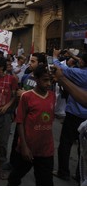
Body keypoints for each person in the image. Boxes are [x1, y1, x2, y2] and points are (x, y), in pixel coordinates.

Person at [8, 65, 56, 185]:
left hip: (46, 149)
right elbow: (20, 121)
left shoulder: (52, 96)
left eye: (50, 80)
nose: (48, 83)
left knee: (45, 182)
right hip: (28, 148)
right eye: (45, 80)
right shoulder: (27, 96)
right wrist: (24, 146)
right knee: (14, 178)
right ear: (36, 80)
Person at [52, 50, 87, 182]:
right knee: (83, 147)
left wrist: (55, 56)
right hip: (85, 117)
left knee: (65, 144)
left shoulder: (77, 73)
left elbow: (59, 69)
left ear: (82, 61)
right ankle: (80, 175)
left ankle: (63, 171)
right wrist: (73, 56)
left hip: (74, 114)